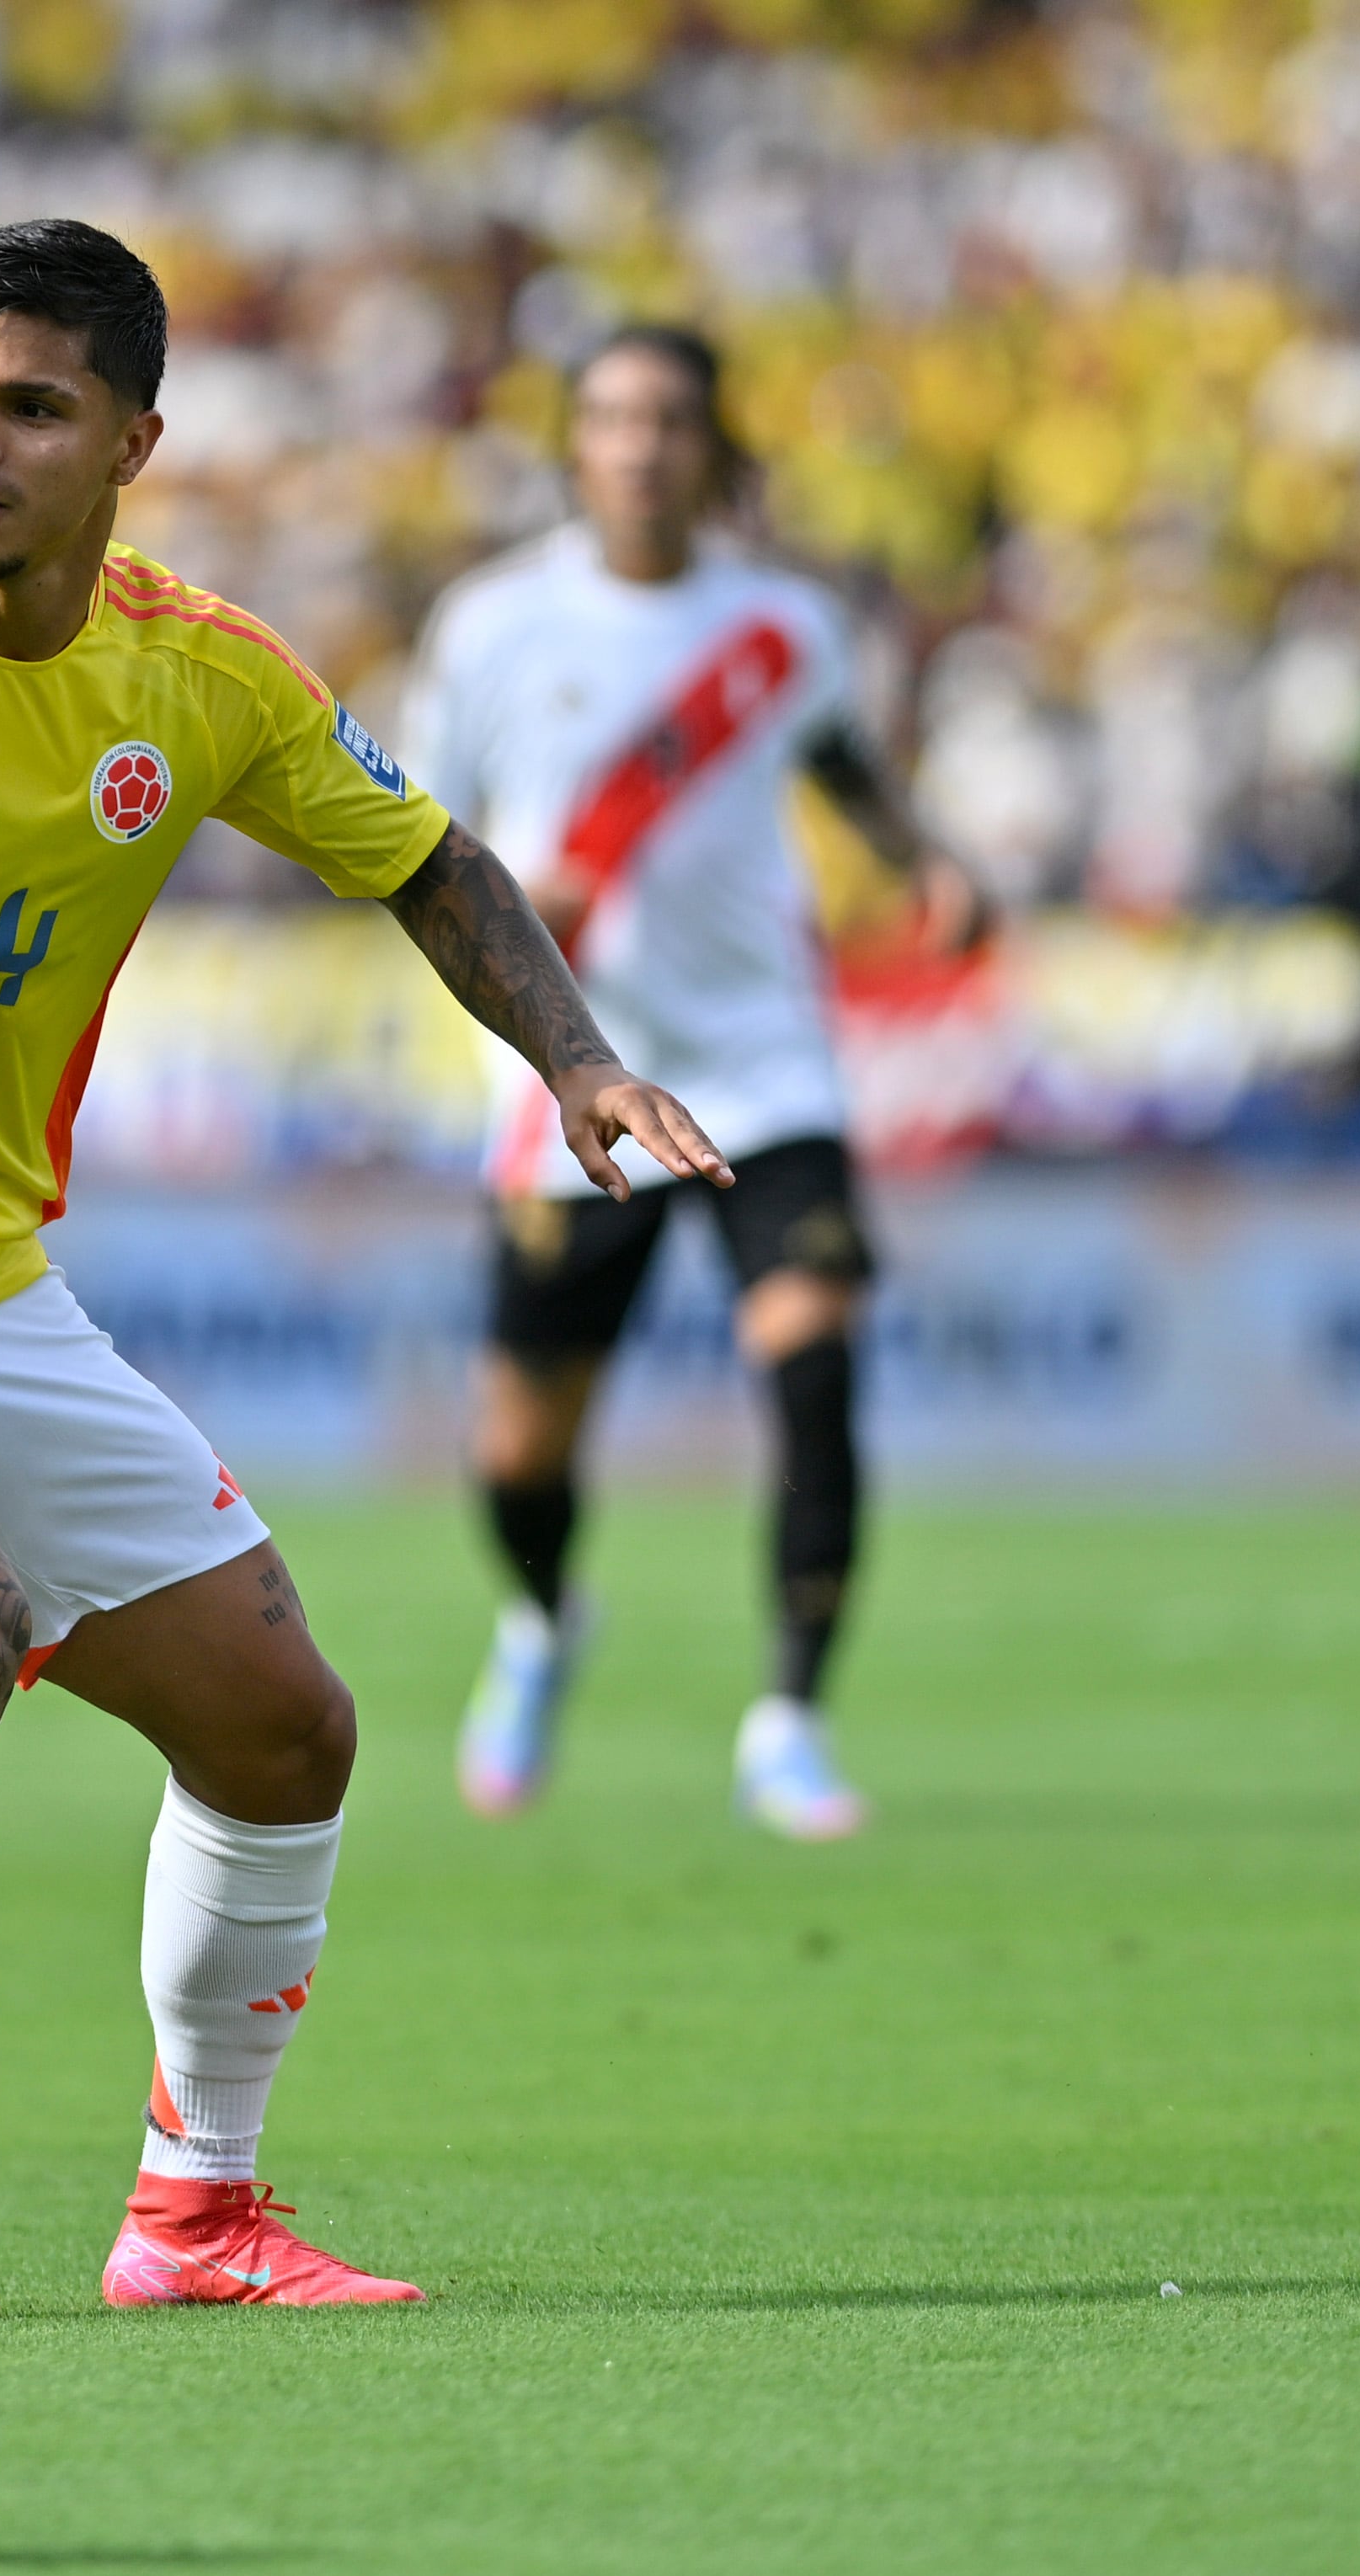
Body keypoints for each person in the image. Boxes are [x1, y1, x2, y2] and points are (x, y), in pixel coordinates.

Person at [0, 221, 728, 2317]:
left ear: (130, 445)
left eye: (27, 409)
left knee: (282, 1730)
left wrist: (576, 1060)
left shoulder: (196, 677)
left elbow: (428, 859)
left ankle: (195, 2217)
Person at [403, 325, 981, 1838]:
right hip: (575, 1068)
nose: (640, 445)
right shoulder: (492, 625)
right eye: (610, 415)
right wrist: (513, 911)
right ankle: (543, 1621)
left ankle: (789, 1720)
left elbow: (839, 760)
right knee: (520, 1448)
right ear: (574, 444)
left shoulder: (782, 624)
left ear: (714, 446)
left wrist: (925, 861)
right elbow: (408, 832)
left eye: (667, 418)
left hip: (760, 1062)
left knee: (814, 1357)